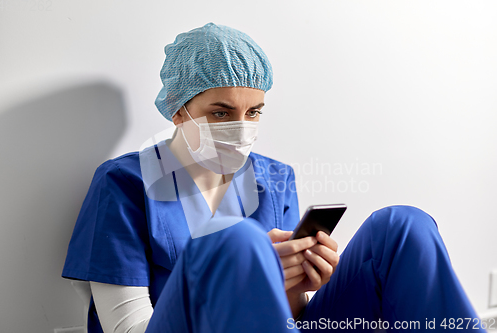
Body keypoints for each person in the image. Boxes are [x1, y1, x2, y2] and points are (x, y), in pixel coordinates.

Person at [62, 23, 485, 332]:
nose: (242, 127)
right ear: (178, 109)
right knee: (237, 239)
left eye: (254, 112)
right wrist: (242, 264)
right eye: (222, 113)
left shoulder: (274, 178)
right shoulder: (123, 185)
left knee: (401, 225)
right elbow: (128, 328)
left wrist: (300, 284)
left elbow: (288, 317)